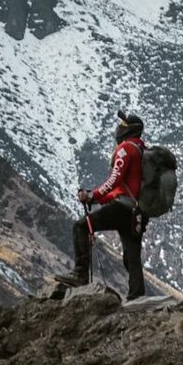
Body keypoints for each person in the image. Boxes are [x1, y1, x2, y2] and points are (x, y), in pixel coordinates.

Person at [69, 111, 149, 300]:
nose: (118, 128)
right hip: (138, 212)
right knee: (132, 256)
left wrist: (92, 196)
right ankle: (137, 296)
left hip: (121, 208)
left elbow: (114, 180)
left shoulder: (125, 149)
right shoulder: (142, 149)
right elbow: (127, 184)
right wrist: (96, 198)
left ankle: (80, 274)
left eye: (122, 125)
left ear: (128, 130)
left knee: (81, 226)